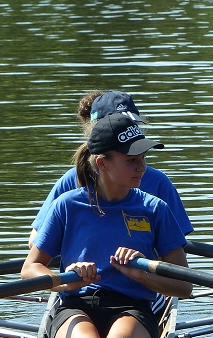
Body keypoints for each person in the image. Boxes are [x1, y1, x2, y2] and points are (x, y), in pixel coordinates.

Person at [21, 113, 193, 338]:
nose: (142, 167)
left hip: (133, 308)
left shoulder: (155, 209)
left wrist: (142, 274)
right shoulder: (67, 205)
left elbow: (183, 286)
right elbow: (30, 269)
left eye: (143, 158)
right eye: (131, 160)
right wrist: (65, 281)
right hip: (74, 306)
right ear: (102, 163)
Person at [29, 90, 193, 314]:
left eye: (130, 124)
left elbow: (177, 259)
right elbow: (36, 245)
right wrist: (75, 262)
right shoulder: (71, 186)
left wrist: (142, 266)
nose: (140, 167)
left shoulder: (157, 188)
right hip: (80, 291)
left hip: (138, 291)